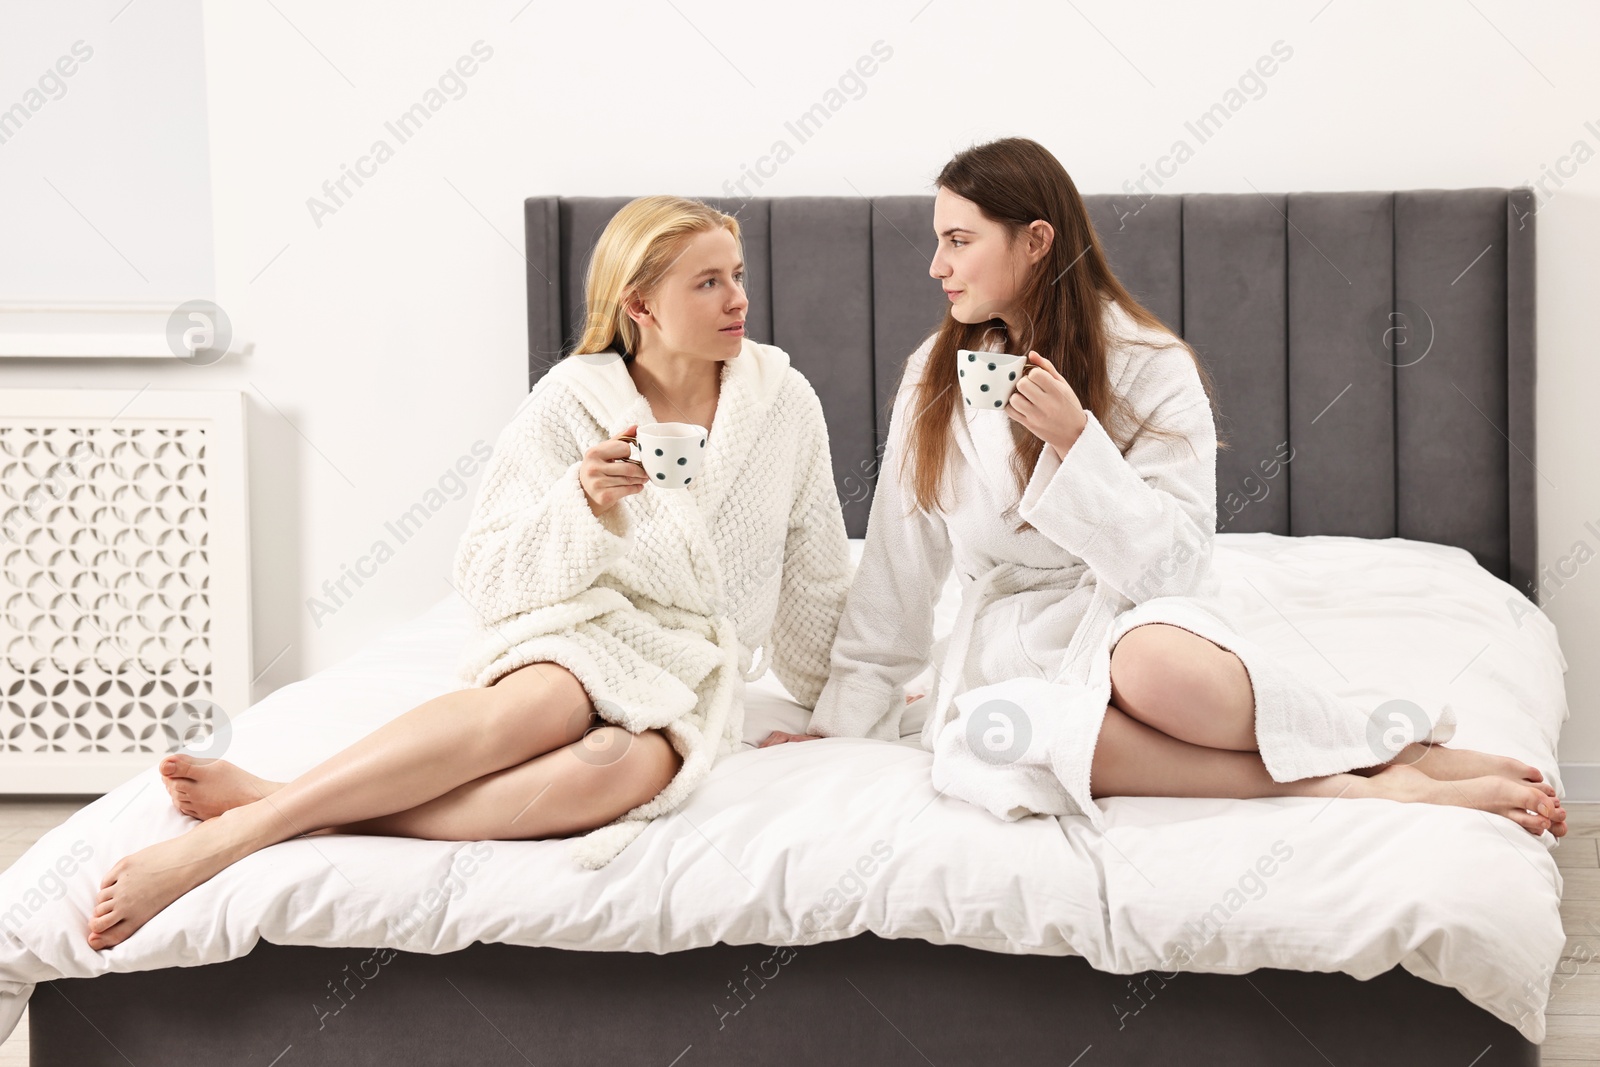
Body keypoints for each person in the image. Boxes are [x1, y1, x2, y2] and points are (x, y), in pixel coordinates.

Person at [88, 195, 853, 949]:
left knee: (618, 771)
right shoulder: (570, 403)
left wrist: (846, 704)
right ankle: (242, 836)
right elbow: (485, 576)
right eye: (709, 282)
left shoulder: (783, 401)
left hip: (687, 670)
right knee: (542, 702)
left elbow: (816, 572)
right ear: (642, 305)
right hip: (587, 632)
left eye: (738, 274)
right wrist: (580, 504)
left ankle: (282, 800)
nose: (739, 299)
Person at [765, 137, 1567, 843]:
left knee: (1151, 667)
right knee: (998, 734)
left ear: (1037, 241)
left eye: (959, 240)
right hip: (1011, 651)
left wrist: (1078, 445)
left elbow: (1178, 571)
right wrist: (841, 727)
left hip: (1129, 619)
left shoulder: (1150, 365)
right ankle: (1361, 775)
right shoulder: (931, 380)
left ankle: (1393, 744)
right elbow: (897, 579)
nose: (935, 265)